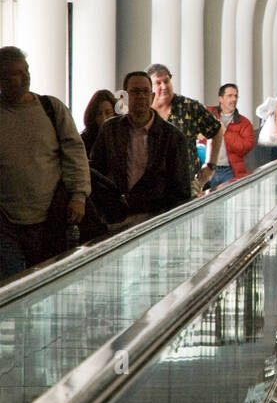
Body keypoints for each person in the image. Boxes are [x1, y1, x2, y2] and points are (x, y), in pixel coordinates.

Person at [0, 46, 91, 281]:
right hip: (6, 221)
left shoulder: (51, 109)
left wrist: (78, 196)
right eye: (15, 73)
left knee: (44, 281)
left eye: (26, 71)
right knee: (13, 284)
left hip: (50, 216)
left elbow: (75, 152)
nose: (24, 78)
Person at [90, 70, 192, 218]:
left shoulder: (173, 137)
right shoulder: (109, 130)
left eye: (145, 91)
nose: (141, 96)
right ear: (124, 97)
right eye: (135, 91)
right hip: (115, 218)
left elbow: (181, 191)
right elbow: (96, 172)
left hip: (154, 220)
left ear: (152, 97)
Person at [146, 62, 222, 189]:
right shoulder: (143, 111)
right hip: (150, 188)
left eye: (167, 81)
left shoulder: (189, 107)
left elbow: (216, 131)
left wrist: (210, 166)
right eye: (158, 83)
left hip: (186, 185)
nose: (164, 87)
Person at [202, 83, 255, 187]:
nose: (234, 99)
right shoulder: (209, 115)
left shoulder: (244, 123)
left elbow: (244, 148)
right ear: (220, 99)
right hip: (207, 169)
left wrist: (225, 132)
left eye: (235, 96)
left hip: (230, 171)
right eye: (230, 96)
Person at [81, 88, 118, 156]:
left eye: (108, 113)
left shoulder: (121, 137)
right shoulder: (84, 141)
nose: (104, 118)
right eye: (99, 114)